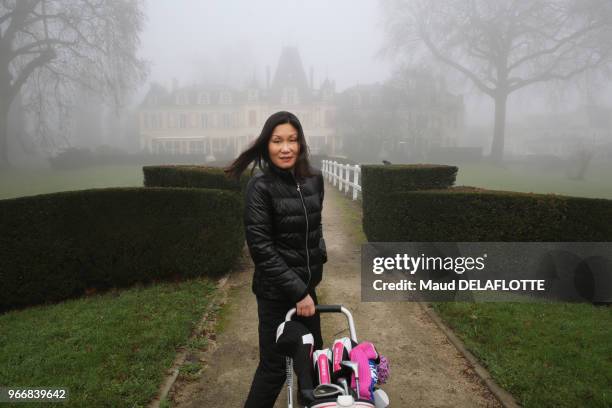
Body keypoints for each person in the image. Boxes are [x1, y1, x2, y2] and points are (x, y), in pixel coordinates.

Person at [224, 111, 327, 408]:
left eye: (292, 140)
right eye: (278, 140)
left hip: (307, 292)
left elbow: (315, 227)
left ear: (301, 143)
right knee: (274, 369)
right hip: (276, 295)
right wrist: (298, 292)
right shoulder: (260, 187)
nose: (286, 148)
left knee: (314, 363)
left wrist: (318, 257)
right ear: (267, 145)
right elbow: (261, 249)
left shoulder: (313, 180)